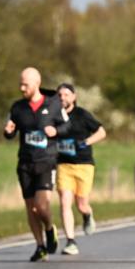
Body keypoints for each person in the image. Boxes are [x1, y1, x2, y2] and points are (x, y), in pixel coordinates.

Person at [3, 67, 71, 262]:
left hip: (46, 160)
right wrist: (8, 131)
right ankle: (40, 246)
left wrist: (55, 131)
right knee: (31, 208)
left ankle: (50, 229)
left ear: (36, 83)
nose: (21, 87)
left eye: (25, 84)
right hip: (25, 162)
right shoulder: (17, 108)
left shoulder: (54, 104)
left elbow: (68, 126)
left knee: (41, 206)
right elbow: (9, 133)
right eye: (20, 83)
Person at [55, 84, 107, 255]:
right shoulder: (54, 116)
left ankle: (87, 215)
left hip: (84, 164)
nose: (63, 98)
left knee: (81, 203)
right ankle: (70, 241)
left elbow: (101, 132)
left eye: (66, 94)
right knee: (64, 201)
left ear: (74, 97)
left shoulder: (82, 115)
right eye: (60, 95)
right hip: (63, 164)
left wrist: (85, 142)